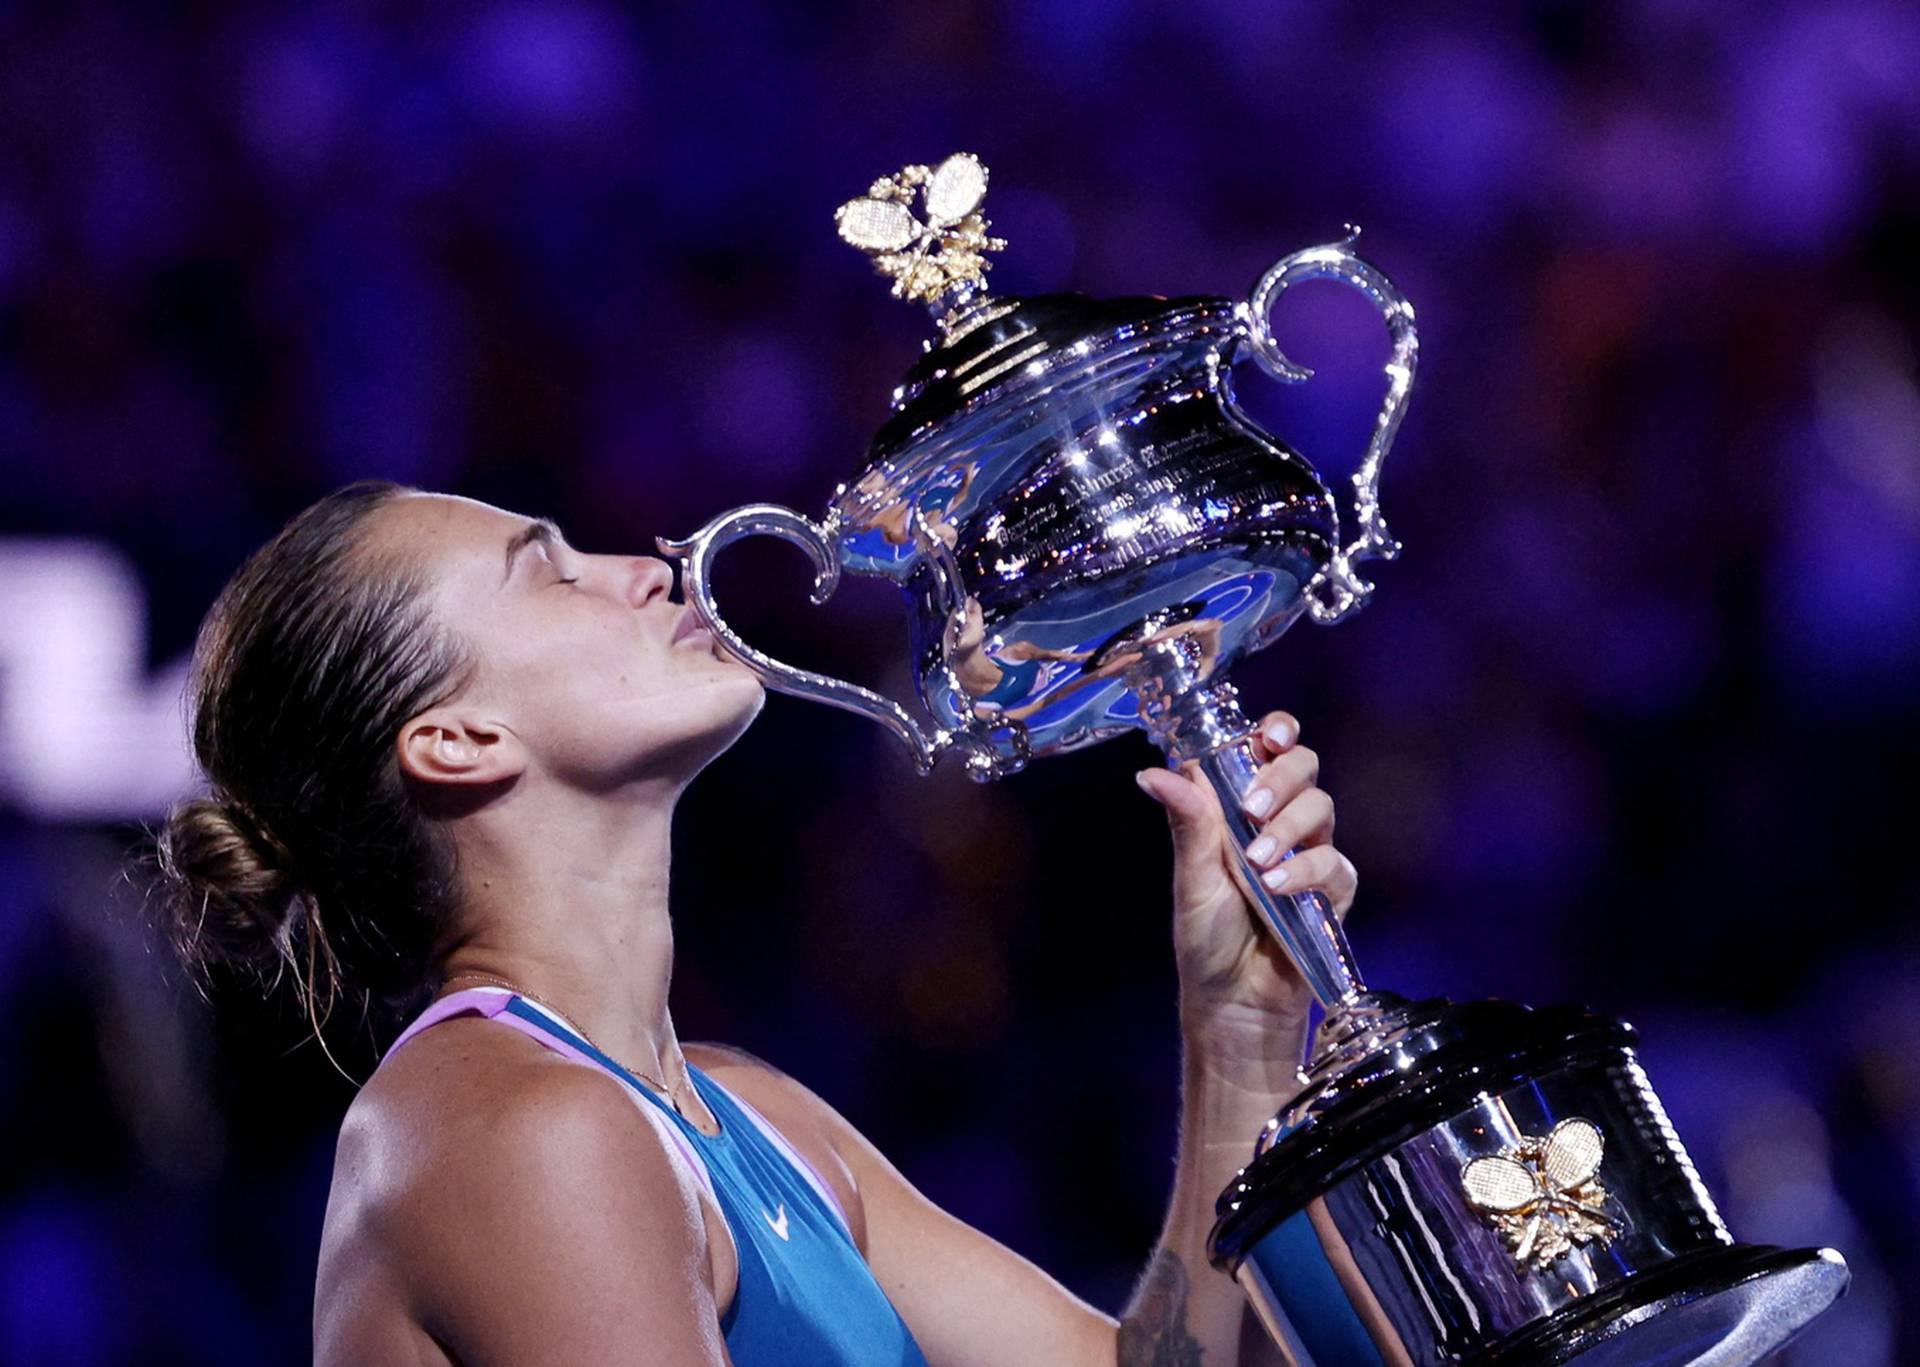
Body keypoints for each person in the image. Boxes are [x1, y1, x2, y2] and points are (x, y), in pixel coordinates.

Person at [152, 480, 1358, 1366]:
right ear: (459, 741)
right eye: (554, 570)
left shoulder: (754, 1114)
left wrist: (1239, 1031)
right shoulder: (514, 1132)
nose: (650, 565)